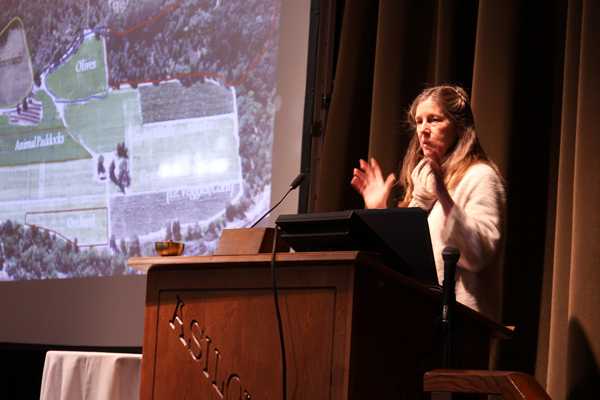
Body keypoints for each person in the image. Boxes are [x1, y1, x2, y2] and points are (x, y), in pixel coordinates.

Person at [350, 85, 506, 321]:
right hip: (418, 316)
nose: (423, 130)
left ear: (459, 127)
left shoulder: (480, 176)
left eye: (433, 120)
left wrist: (443, 195)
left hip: (462, 324)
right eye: (419, 121)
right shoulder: (422, 186)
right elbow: (405, 258)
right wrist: (379, 212)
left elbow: (477, 255)